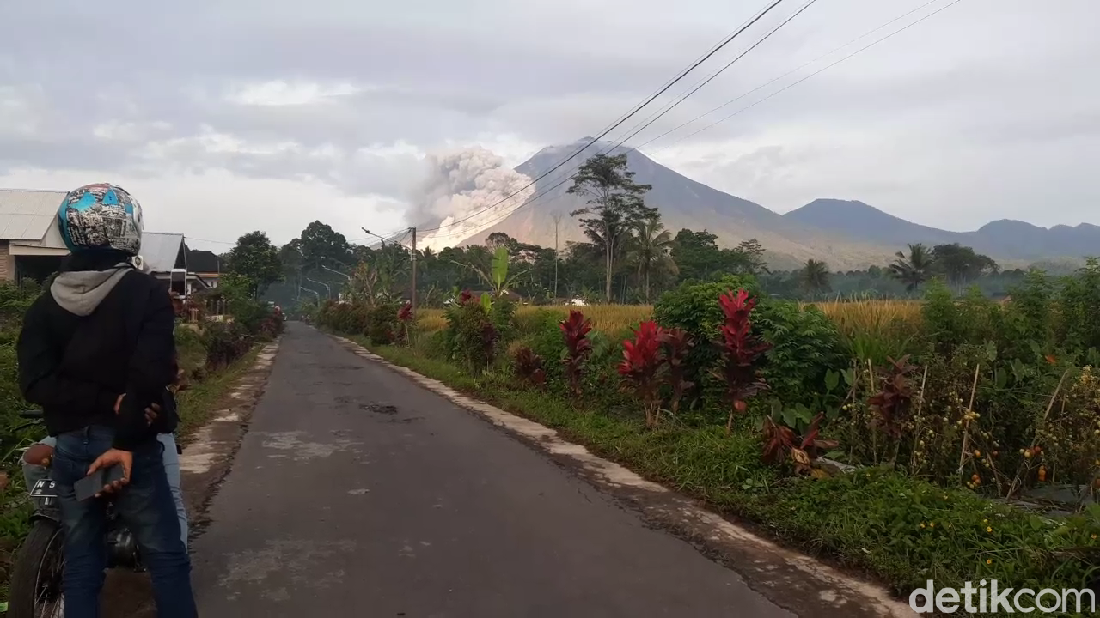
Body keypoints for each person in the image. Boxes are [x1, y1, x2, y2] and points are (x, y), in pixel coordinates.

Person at [16, 183, 197, 618]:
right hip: (126, 447)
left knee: (81, 562)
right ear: (127, 229)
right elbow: (149, 374)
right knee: (165, 557)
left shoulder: (44, 305)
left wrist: (96, 402)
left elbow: (36, 382)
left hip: (73, 450)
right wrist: (123, 441)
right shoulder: (145, 293)